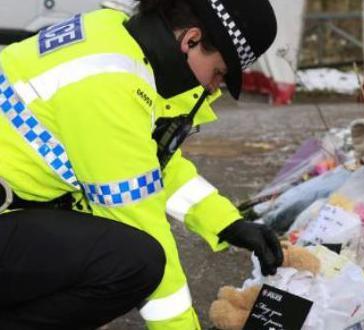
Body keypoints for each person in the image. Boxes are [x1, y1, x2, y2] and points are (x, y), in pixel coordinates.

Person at [0, 0, 283, 329]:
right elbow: (140, 216)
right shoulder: (110, 85)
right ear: (190, 40)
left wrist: (226, 223)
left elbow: (148, 166)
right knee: (136, 262)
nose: (211, 87)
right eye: (218, 72)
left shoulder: (113, 35)